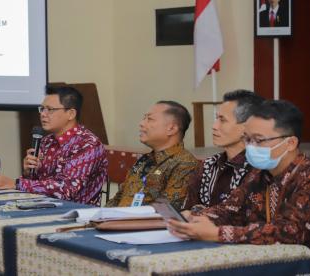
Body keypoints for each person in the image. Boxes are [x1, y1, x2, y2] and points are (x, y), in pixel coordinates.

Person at [168, 100, 310, 246]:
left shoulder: (305, 176)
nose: (251, 147)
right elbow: (231, 209)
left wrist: (219, 234)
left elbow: (292, 232)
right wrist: (192, 218)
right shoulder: (259, 174)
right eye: (247, 139)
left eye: (259, 140)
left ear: (290, 143)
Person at [0, 86, 107, 206]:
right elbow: (37, 185)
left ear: (71, 114)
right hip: (42, 207)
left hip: (77, 216)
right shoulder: (46, 141)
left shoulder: (88, 144)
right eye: (42, 109)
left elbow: (65, 190)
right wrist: (28, 173)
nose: (43, 114)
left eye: (50, 109)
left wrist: (15, 183)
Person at [106, 101, 198, 210]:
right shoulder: (144, 160)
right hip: (117, 221)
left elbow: (167, 211)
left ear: (172, 129)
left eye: (150, 119)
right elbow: (119, 197)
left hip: (144, 225)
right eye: (144, 118)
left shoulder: (185, 164)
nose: (141, 123)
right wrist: (99, 217)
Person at [183, 90, 264, 211]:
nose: (214, 126)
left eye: (223, 120)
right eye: (216, 118)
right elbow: (188, 208)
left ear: (247, 127)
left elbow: (244, 218)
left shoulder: (258, 169)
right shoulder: (209, 164)